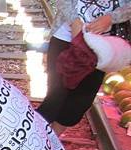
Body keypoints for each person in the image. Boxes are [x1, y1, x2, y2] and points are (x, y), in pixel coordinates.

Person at [36, 0, 131, 135]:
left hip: (103, 46)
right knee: (55, 97)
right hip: (65, 38)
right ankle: (30, 139)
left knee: (80, 102)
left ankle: (50, 141)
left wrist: (110, 18)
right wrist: (74, 21)